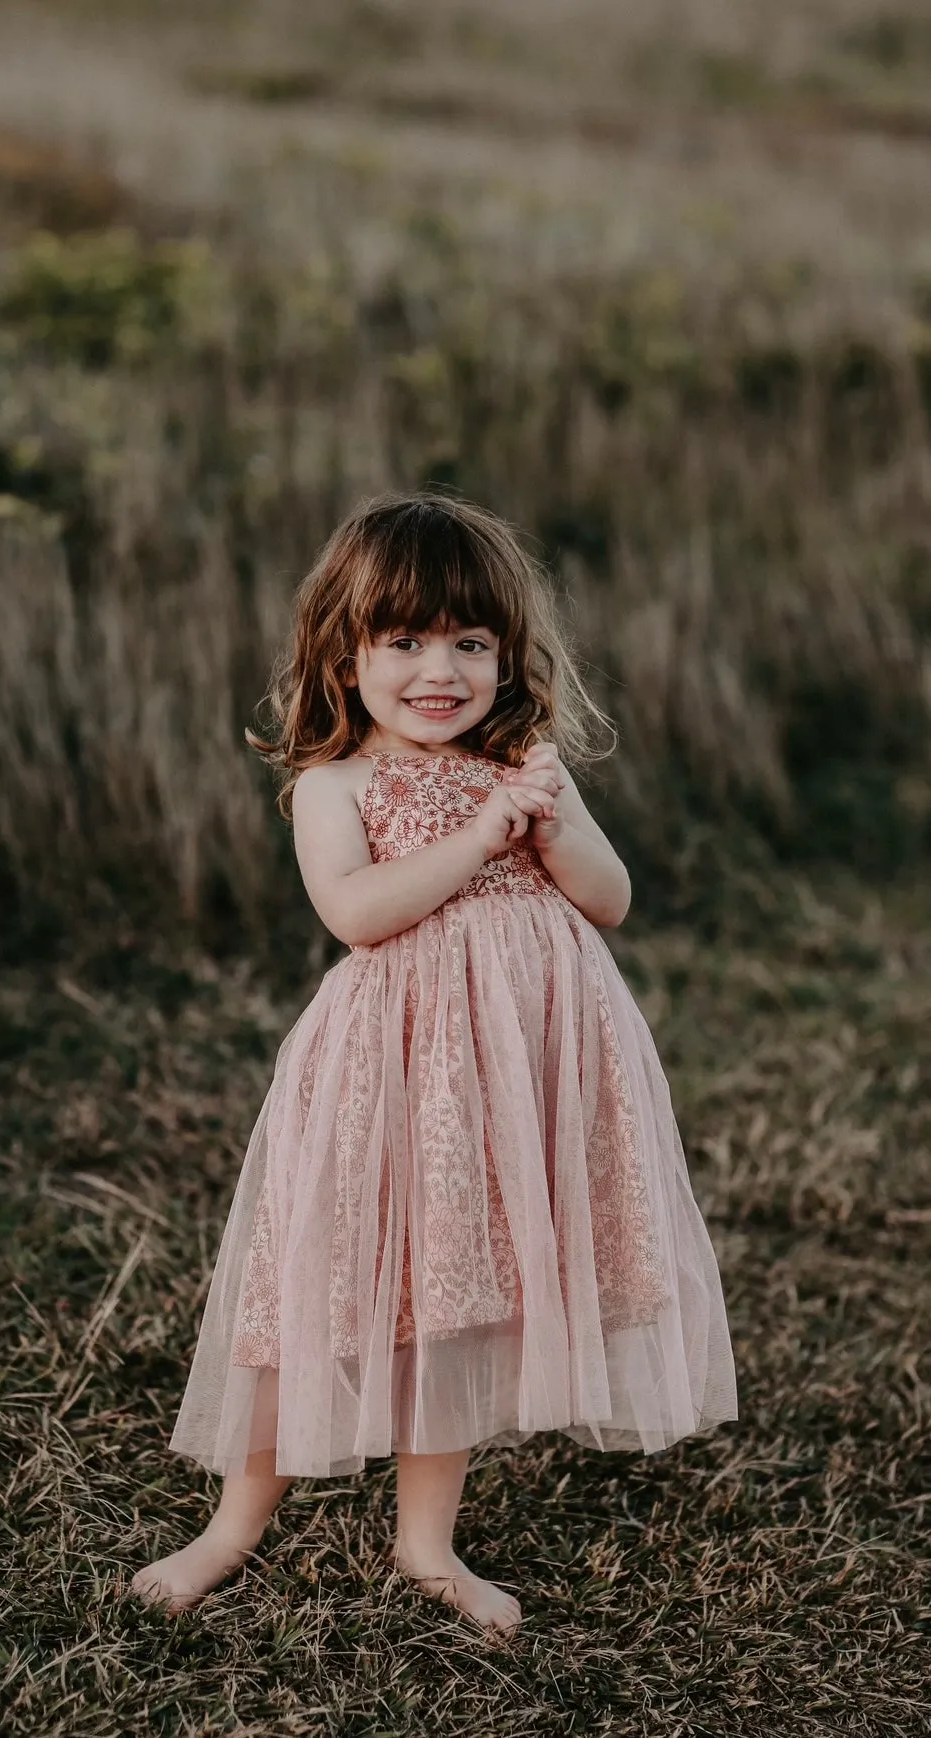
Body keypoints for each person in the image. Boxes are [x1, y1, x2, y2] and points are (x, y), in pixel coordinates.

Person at [131, 492, 738, 1634]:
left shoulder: (522, 764)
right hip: (393, 1072)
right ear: (344, 654)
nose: (440, 669)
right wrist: (478, 837)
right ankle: (232, 1524)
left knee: (454, 1297)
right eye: (404, 641)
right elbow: (358, 913)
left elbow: (609, 902)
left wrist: (550, 823)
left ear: (508, 655)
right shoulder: (336, 784)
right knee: (316, 1287)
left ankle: (427, 1544)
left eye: (470, 641)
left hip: (509, 1079)